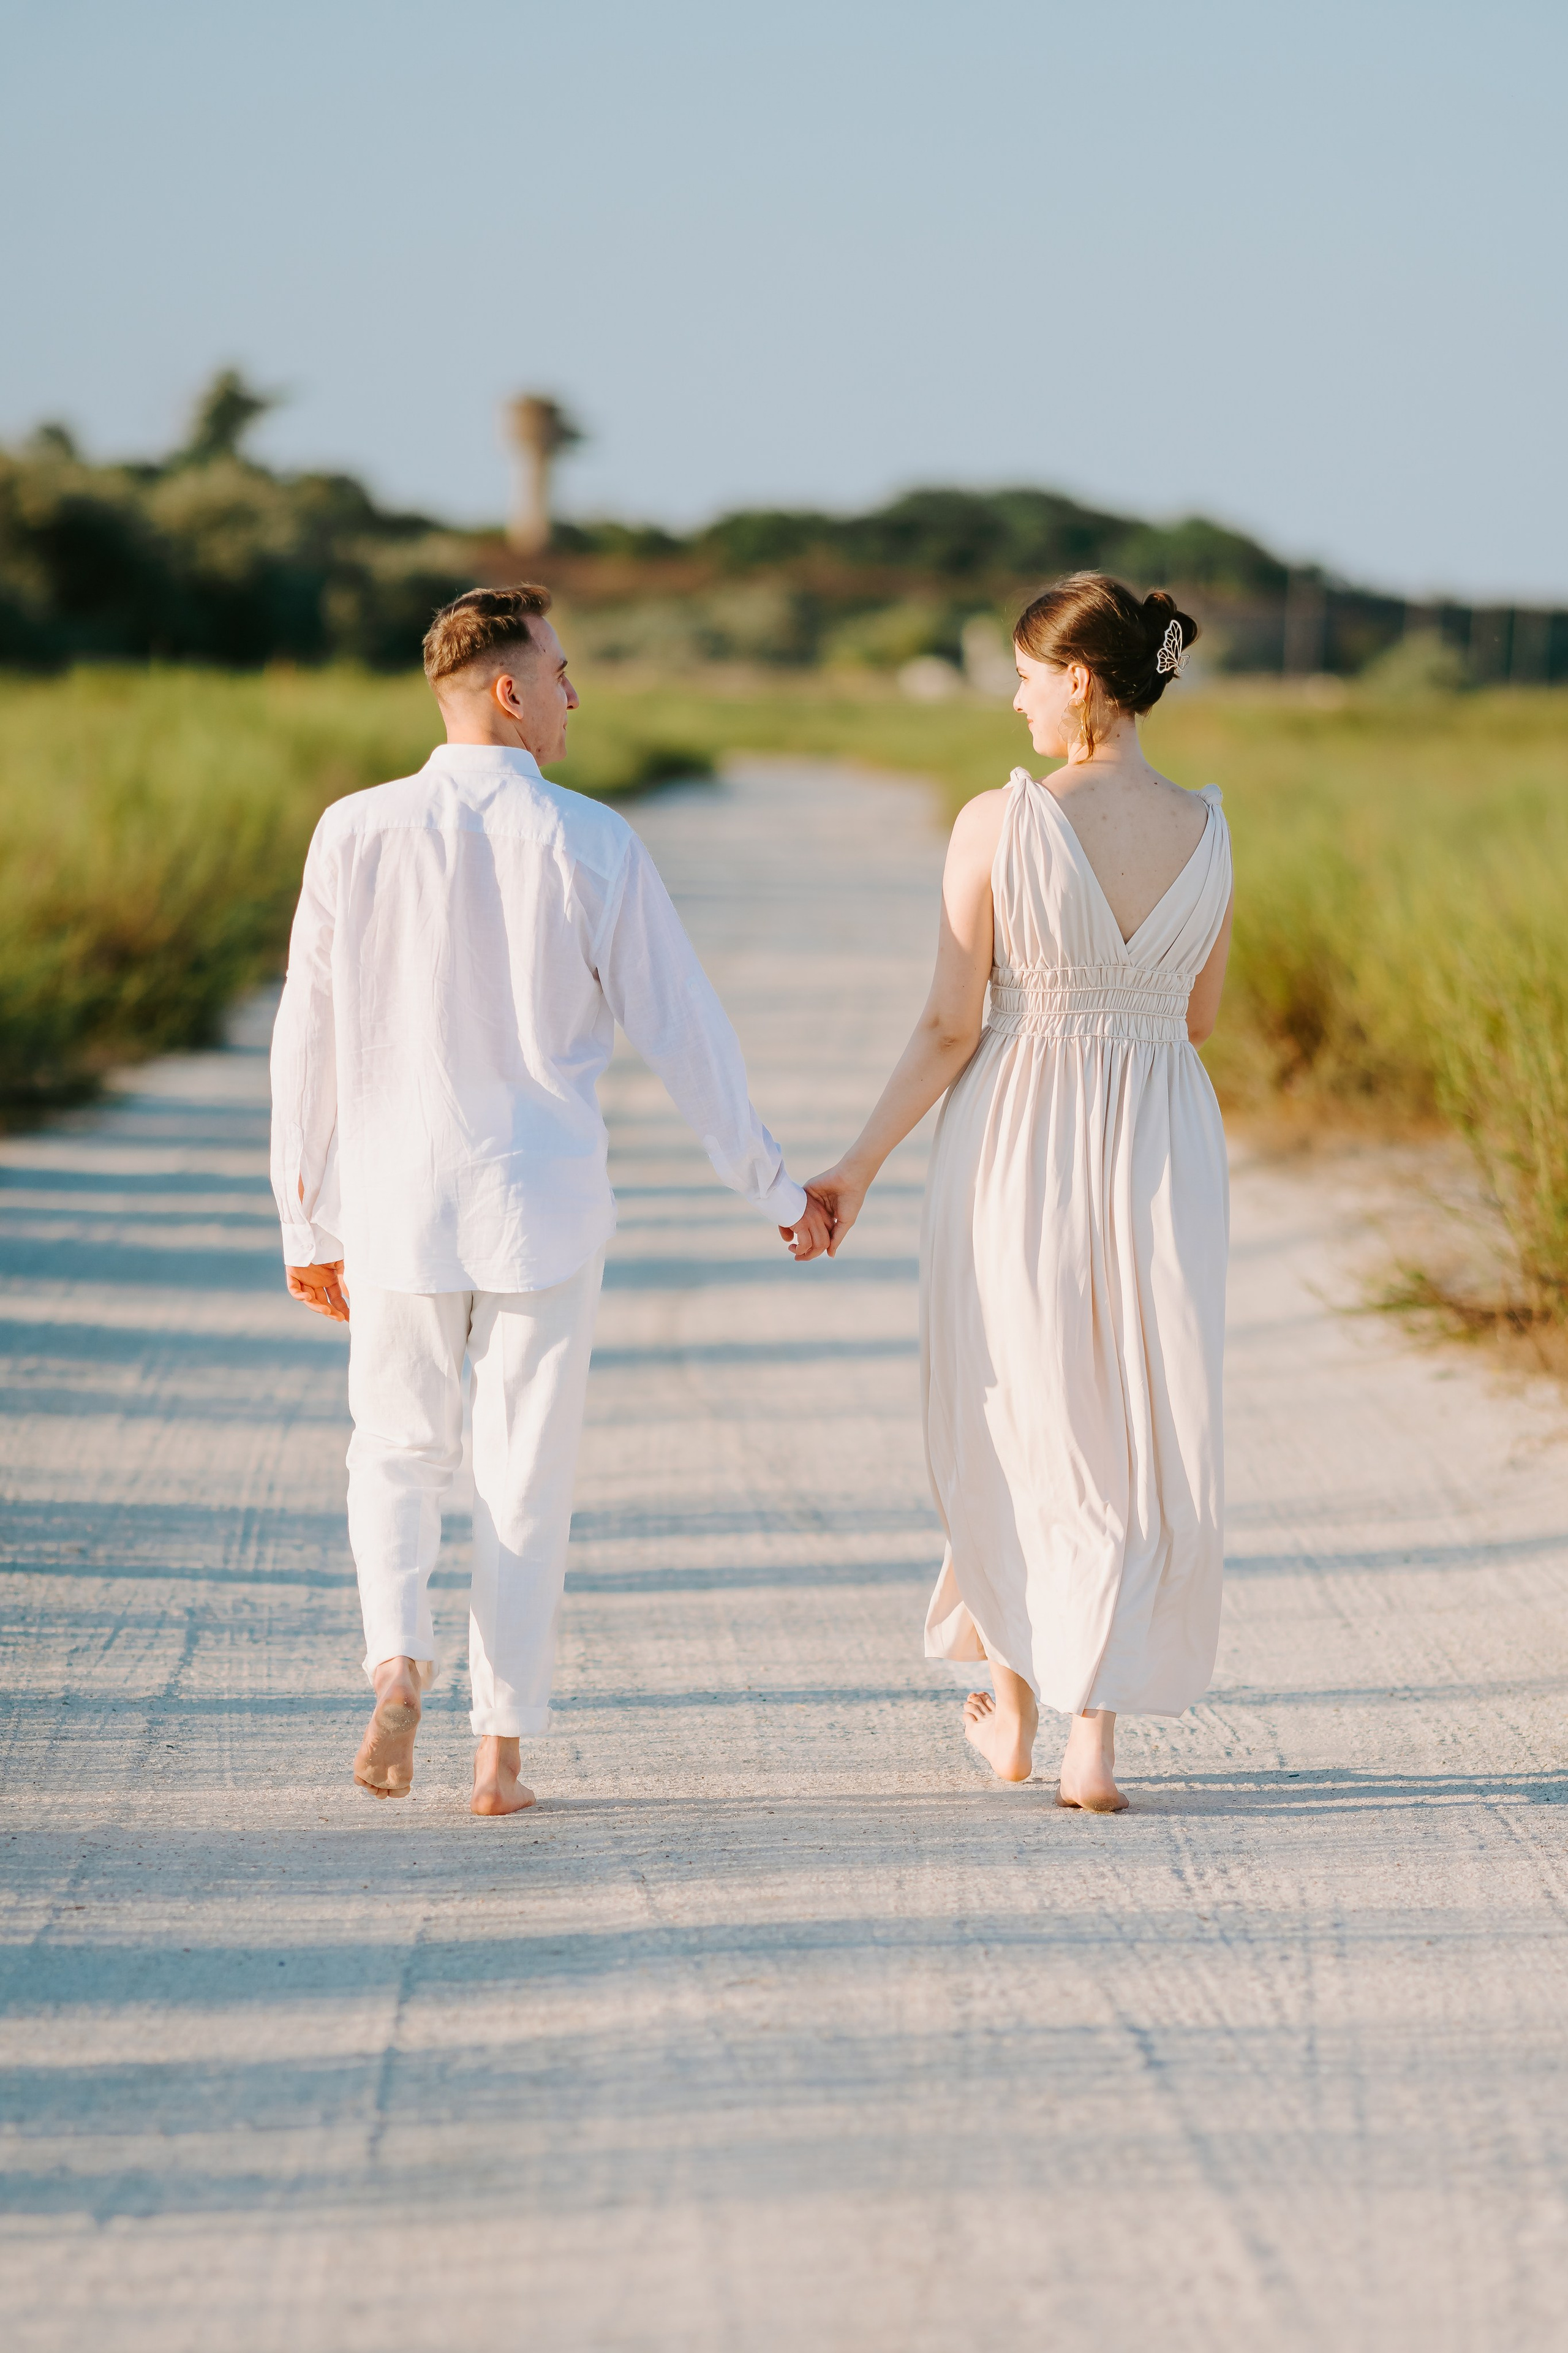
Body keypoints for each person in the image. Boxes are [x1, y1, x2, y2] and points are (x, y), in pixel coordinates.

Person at [270, 585, 825, 1815]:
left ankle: (397, 1660)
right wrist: (773, 1185)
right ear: (507, 691)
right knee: (523, 1473)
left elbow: (303, 1040)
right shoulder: (590, 841)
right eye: (562, 672)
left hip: (395, 1199)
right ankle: (498, 1758)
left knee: (396, 1447)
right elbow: (684, 1035)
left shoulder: (351, 831)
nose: (577, 695)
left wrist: (304, 1221)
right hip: (542, 1205)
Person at [796, 573, 1234, 1810]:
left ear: (1081, 681)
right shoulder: (1208, 826)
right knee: (1131, 1417)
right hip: (1159, 1137)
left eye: (1028, 674)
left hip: (1018, 1133)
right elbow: (1194, 1017)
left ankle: (1019, 1714)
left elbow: (947, 1024)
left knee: (1015, 1403)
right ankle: (1087, 1730)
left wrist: (857, 1165)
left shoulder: (999, 822)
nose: (1014, 694)